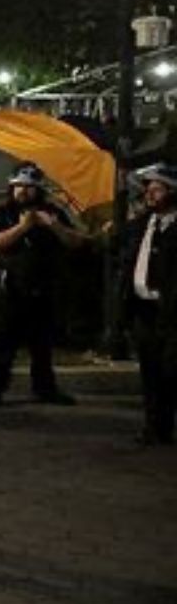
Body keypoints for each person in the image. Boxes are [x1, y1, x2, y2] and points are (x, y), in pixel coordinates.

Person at [0, 162, 89, 406]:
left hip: (42, 289)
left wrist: (53, 225)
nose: (23, 192)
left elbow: (76, 242)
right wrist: (23, 226)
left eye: (29, 188)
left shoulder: (52, 213)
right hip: (8, 291)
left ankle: (45, 389)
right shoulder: (1, 213)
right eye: (19, 186)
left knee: (42, 346)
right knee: (0, 344)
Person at [125, 163, 177, 446]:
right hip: (143, 307)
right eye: (148, 189)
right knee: (150, 369)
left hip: (170, 309)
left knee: (170, 370)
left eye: (156, 189)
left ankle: (166, 423)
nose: (150, 194)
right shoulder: (142, 224)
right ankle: (154, 427)